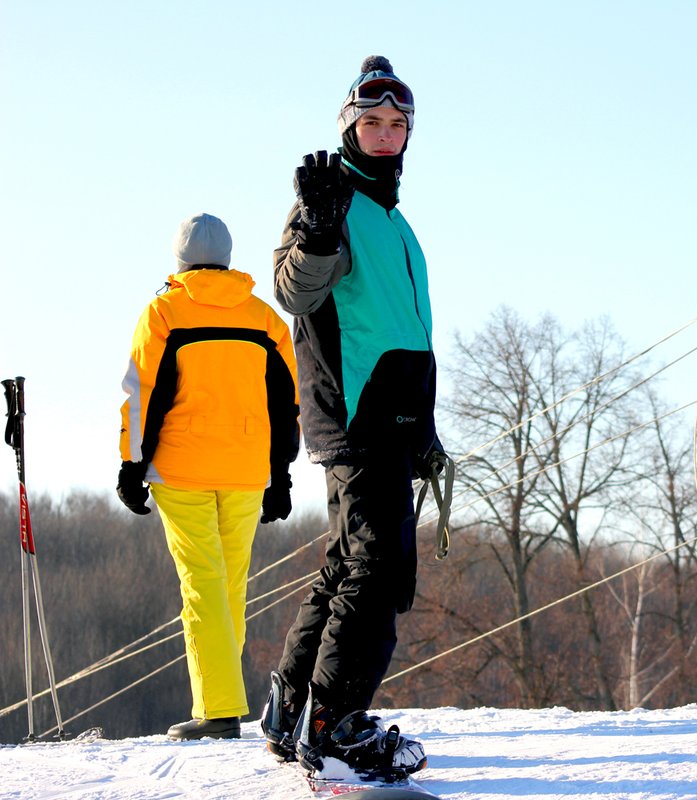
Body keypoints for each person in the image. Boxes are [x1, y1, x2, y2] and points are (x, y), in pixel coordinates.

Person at [259, 55, 442, 779]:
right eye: (372, 122)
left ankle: (293, 708)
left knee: (349, 562)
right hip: (356, 412)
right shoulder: (330, 199)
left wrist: (423, 429)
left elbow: (405, 331)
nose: (386, 134)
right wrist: (319, 229)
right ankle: (335, 724)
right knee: (378, 567)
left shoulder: (395, 220)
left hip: (392, 418)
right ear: (348, 126)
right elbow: (294, 293)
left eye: (398, 124)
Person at [117, 212, 299, 740]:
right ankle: (221, 700)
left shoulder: (164, 313)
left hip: (182, 467)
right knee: (229, 587)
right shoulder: (265, 319)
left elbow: (141, 395)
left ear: (178, 261)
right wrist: (281, 475)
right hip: (246, 470)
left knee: (203, 585)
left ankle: (218, 712)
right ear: (228, 259)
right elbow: (286, 403)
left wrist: (131, 464)